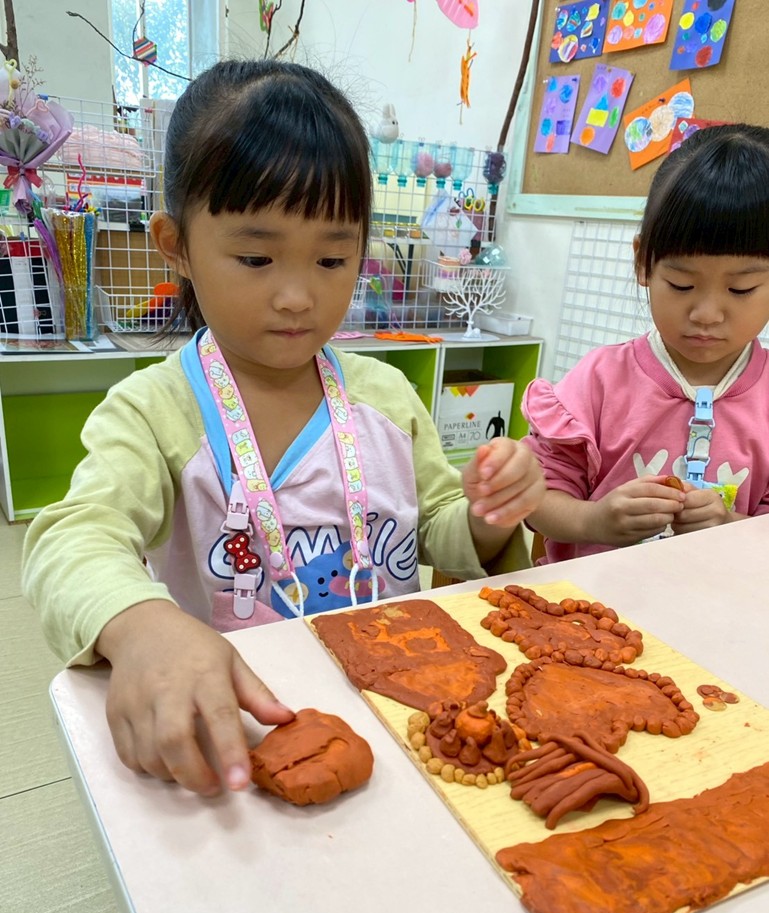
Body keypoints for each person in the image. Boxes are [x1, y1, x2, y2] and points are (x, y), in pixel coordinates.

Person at [23, 58, 544, 793]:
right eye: (256, 257)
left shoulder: (386, 398)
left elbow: (437, 529)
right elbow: (71, 541)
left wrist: (488, 516)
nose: (297, 295)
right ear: (176, 245)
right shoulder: (153, 412)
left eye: (332, 258)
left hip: (402, 715)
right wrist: (139, 625)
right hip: (237, 728)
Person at [523, 123, 769, 565]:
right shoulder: (600, 380)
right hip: (591, 603)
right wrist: (593, 521)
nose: (707, 314)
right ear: (643, 263)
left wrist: (729, 526)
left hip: (722, 602)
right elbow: (536, 496)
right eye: (681, 284)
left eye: (741, 289)